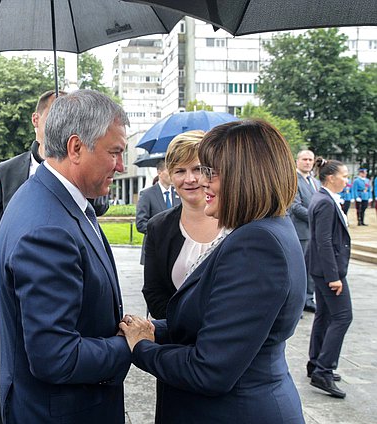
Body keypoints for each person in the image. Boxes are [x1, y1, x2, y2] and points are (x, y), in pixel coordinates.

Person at [122, 120, 306, 424]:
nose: (202, 182)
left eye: (210, 172)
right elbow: (214, 322)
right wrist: (155, 329)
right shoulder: (263, 229)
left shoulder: (256, 243)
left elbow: (209, 370)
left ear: (244, 177)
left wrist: (140, 347)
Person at [0, 90, 132, 423]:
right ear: (75, 148)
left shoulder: (53, 199)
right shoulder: (48, 228)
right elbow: (56, 357)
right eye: (115, 152)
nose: (121, 166)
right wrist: (129, 345)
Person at [0, 90, 108, 291]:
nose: (60, 124)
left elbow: (99, 208)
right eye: (53, 117)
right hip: (11, 281)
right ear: (35, 119)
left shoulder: (79, 167)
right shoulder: (8, 170)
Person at [142, 130, 221, 319]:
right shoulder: (158, 227)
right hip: (177, 339)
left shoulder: (236, 222)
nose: (189, 179)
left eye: (197, 169)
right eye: (180, 171)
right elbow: (153, 292)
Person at [307, 158, 352, 399]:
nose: (347, 180)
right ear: (331, 177)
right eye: (344, 176)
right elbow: (322, 241)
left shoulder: (324, 198)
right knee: (343, 317)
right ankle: (324, 370)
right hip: (328, 271)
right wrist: (334, 276)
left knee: (324, 316)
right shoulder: (324, 201)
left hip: (323, 268)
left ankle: (315, 363)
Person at [290, 149, 320, 313]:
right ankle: (297, 305)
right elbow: (294, 206)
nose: (308, 162)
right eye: (304, 159)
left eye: (310, 159)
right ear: (297, 161)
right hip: (300, 232)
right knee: (299, 270)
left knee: (311, 269)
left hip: (314, 233)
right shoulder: (294, 180)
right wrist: (318, 217)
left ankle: (308, 299)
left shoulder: (315, 182)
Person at [136, 160, 180, 264]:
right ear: (159, 172)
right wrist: (162, 230)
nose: (172, 174)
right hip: (155, 250)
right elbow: (140, 223)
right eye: (169, 170)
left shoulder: (178, 194)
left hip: (175, 251)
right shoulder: (147, 194)